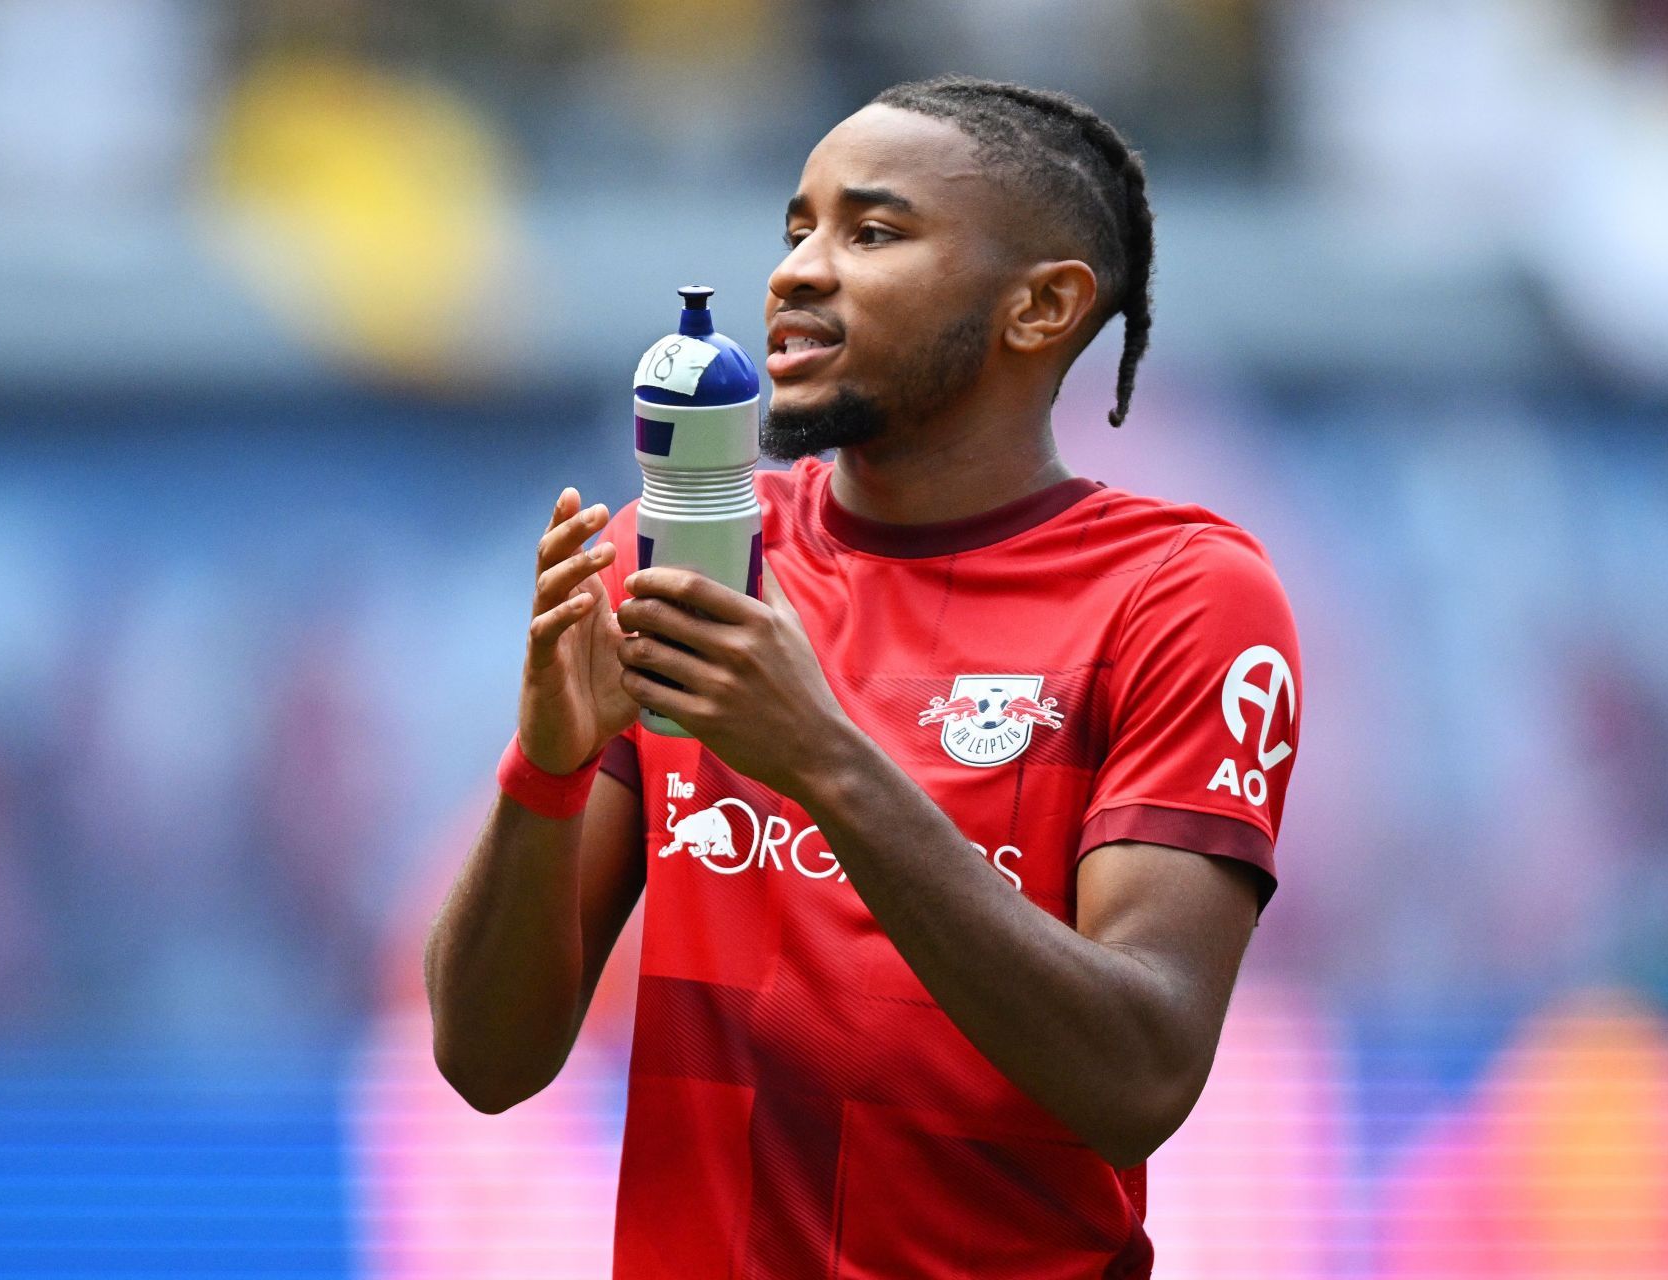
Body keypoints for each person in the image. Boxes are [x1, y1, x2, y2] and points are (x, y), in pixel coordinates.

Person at [424, 74, 1302, 1278]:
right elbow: (486, 1061)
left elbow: (1139, 1072)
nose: (795, 271)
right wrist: (548, 769)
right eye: (797, 229)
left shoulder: (1178, 594)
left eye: (871, 232)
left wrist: (827, 761)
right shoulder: (689, 558)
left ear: (1041, 306)